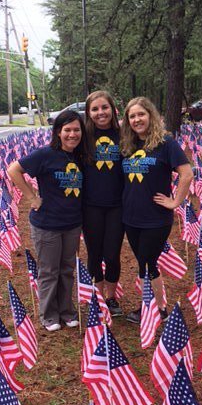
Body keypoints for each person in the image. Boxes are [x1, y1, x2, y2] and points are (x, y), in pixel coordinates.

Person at [7, 110, 89, 332]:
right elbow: (13, 170)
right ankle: (49, 315)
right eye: (67, 130)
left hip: (72, 223)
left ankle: (67, 311)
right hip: (47, 224)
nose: (72, 134)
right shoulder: (45, 154)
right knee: (49, 271)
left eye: (76, 130)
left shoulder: (80, 156)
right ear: (58, 132)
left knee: (67, 269)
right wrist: (32, 197)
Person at [120, 97, 193, 323]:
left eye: (141, 114)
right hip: (130, 217)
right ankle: (156, 307)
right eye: (132, 116)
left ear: (151, 115)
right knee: (146, 263)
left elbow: (186, 173)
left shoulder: (165, 143)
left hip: (155, 218)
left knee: (147, 263)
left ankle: (156, 309)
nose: (136, 119)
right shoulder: (128, 145)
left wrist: (175, 202)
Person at [83, 90, 124, 316]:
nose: (101, 113)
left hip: (117, 205)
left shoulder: (124, 135)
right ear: (89, 113)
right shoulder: (83, 137)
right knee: (94, 254)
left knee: (112, 254)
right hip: (90, 206)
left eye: (104, 108)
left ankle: (111, 297)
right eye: (95, 109)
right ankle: (97, 299)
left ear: (112, 109)